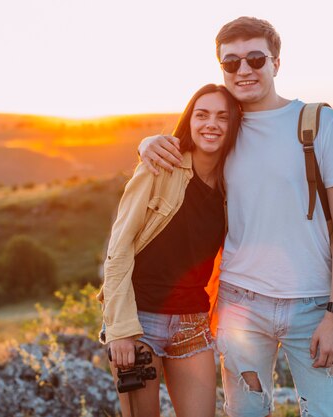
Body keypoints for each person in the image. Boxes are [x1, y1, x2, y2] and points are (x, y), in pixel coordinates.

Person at [138, 17, 333, 417]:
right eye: (231, 62)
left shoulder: (320, 123)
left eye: (255, 59)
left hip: (312, 305)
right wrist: (147, 142)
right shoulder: (224, 129)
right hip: (239, 305)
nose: (244, 70)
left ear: (276, 62)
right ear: (221, 67)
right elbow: (181, 155)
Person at [98, 83, 242, 417]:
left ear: (233, 124)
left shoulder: (232, 183)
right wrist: (120, 330)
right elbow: (118, 248)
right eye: (202, 115)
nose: (211, 124)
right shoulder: (160, 166)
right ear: (189, 121)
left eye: (222, 117)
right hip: (139, 320)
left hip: (192, 321)